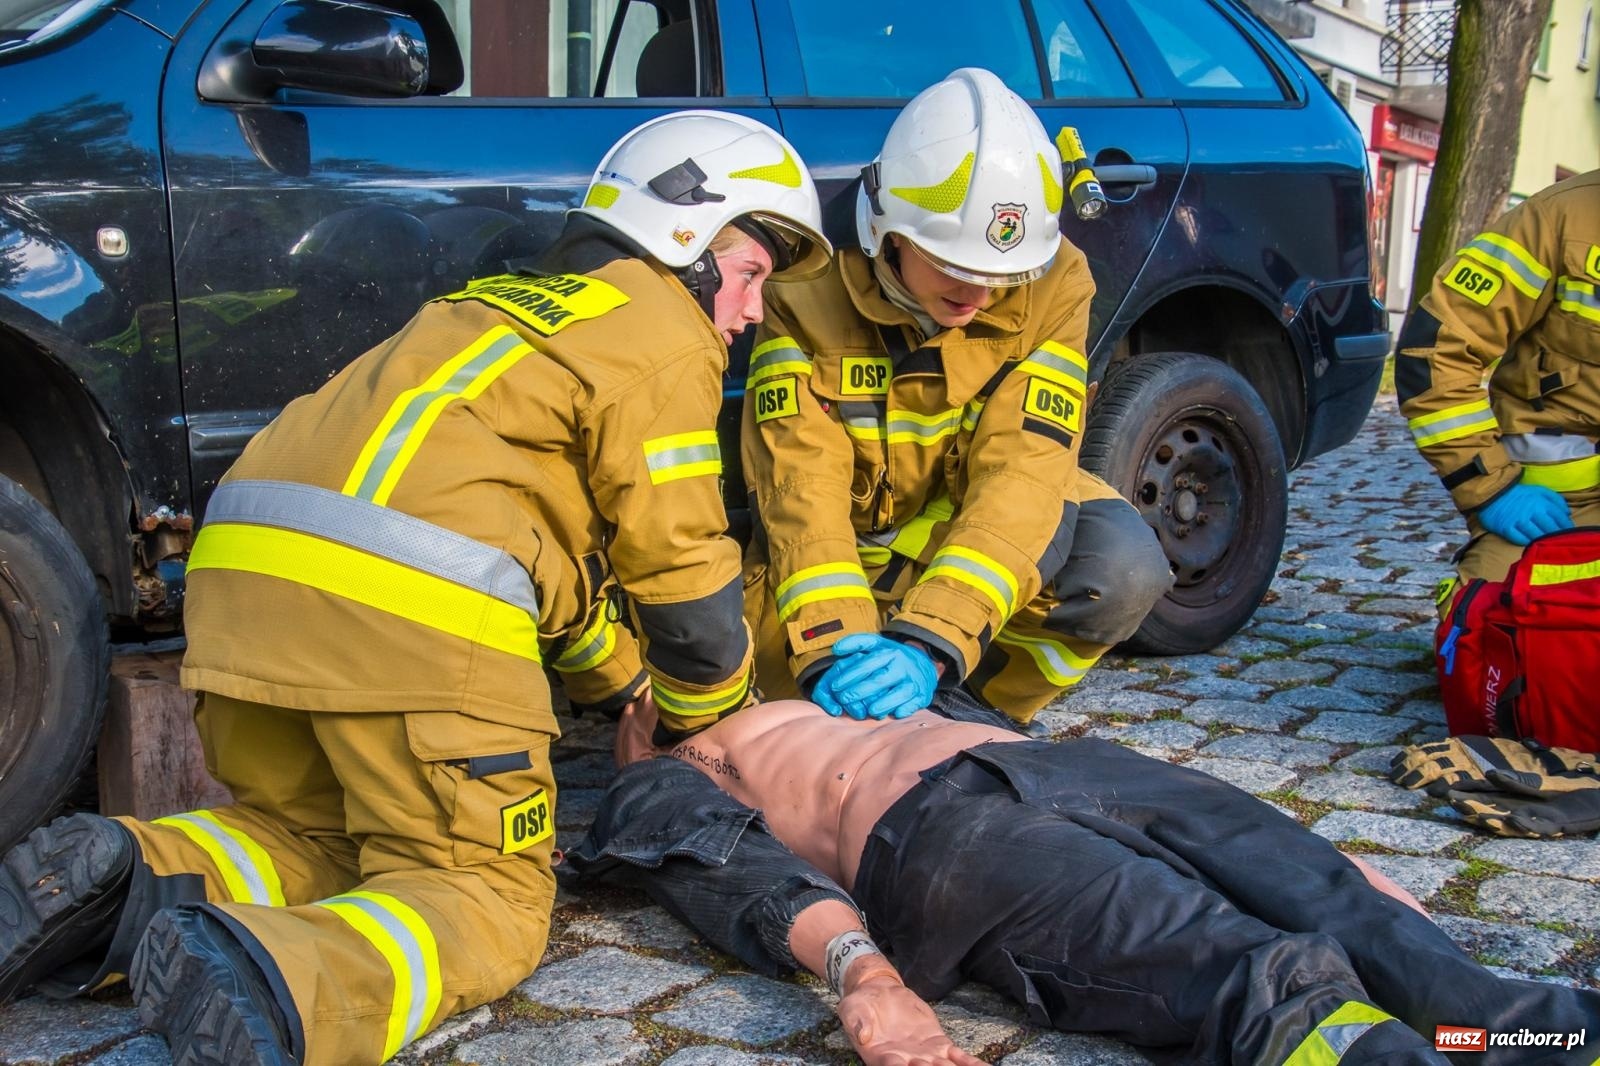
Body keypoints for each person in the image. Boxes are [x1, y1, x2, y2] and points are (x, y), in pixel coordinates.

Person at [0, 111, 830, 1066]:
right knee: (488, 896)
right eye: (752, 274)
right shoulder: (667, 338)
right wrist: (702, 721)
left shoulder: (491, 312)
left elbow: (549, 574)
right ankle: (285, 980)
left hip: (240, 596)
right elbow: (682, 569)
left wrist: (625, 694)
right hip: (410, 610)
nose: (755, 311)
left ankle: (126, 881)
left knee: (325, 832)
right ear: (683, 241)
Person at [572, 693, 1600, 1066]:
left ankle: (1535, 1037)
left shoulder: (831, 670)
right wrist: (866, 979)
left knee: (1372, 925)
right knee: (1249, 975)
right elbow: (737, 875)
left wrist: (1324, 858)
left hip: (1072, 765)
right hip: (944, 837)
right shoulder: (658, 778)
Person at [737, 68, 1171, 730]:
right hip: (838, 556)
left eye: (1001, 278)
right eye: (955, 268)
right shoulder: (805, 292)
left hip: (959, 537)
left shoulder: (1054, 284)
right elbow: (800, 490)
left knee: (1122, 567)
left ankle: (978, 718)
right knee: (798, 714)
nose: (978, 297)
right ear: (890, 233)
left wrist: (933, 642)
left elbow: (1024, 472)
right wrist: (831, 647)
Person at [1396, 169, 1600, 603]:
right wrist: (1492, 489)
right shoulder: (1559, 218)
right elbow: (1436, 347)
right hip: (1560, 510)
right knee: (1491, 631)